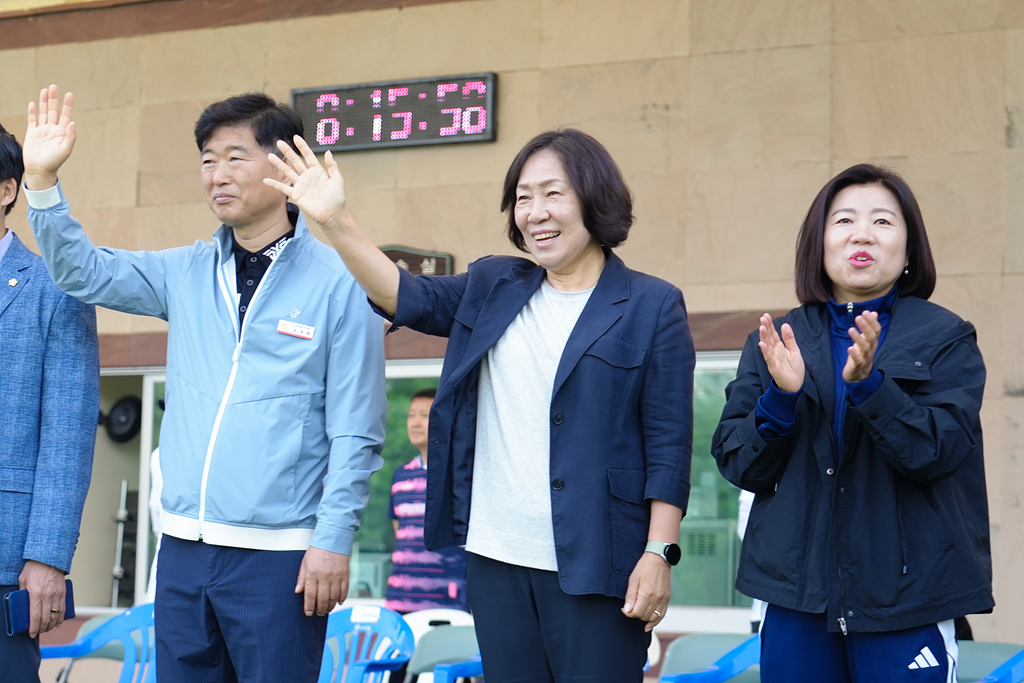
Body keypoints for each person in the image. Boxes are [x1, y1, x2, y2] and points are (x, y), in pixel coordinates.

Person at [264, 127, 695, 683]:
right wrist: (333, 222)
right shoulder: (494, 284)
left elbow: (668, 443)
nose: (535, 212)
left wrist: (659, 552)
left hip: (598, 565)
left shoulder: (651, 304)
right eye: (522, 197)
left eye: (553, 193)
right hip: (495, 561)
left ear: (594, 198)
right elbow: (402, 293)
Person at [22, 86, 387, 683]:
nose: (217, 174)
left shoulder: (339, 283)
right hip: (185, 552)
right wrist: (41, 182)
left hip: (281, 557)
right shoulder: (184, 272)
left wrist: (333, 540)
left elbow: (356, 431)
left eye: (235, 157)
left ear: (284, 165)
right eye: (207, 159)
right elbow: (79, 271)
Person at [712, 164, 993, 683]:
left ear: (909, 250)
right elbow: (737, 462)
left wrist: (869, 386)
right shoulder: (779, 339)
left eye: (883, 222)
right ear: (819, 243)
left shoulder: (945, 338)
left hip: (907, 600)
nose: (862, 233)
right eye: (843, 220)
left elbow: (939, 451)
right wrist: (781, 396)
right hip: (797, 599)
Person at [0, 123, 99, 683]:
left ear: (7, 190)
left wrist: (48, 558)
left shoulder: (55, 288)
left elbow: (68, 433)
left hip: (8, 562)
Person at [385, 387, 469, 615]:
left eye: (425, 414)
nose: (415, 422)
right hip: (400, 601)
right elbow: (400, 534)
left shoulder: (460, 475)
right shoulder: (399, 475)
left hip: (449, 606)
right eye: (411, 415)